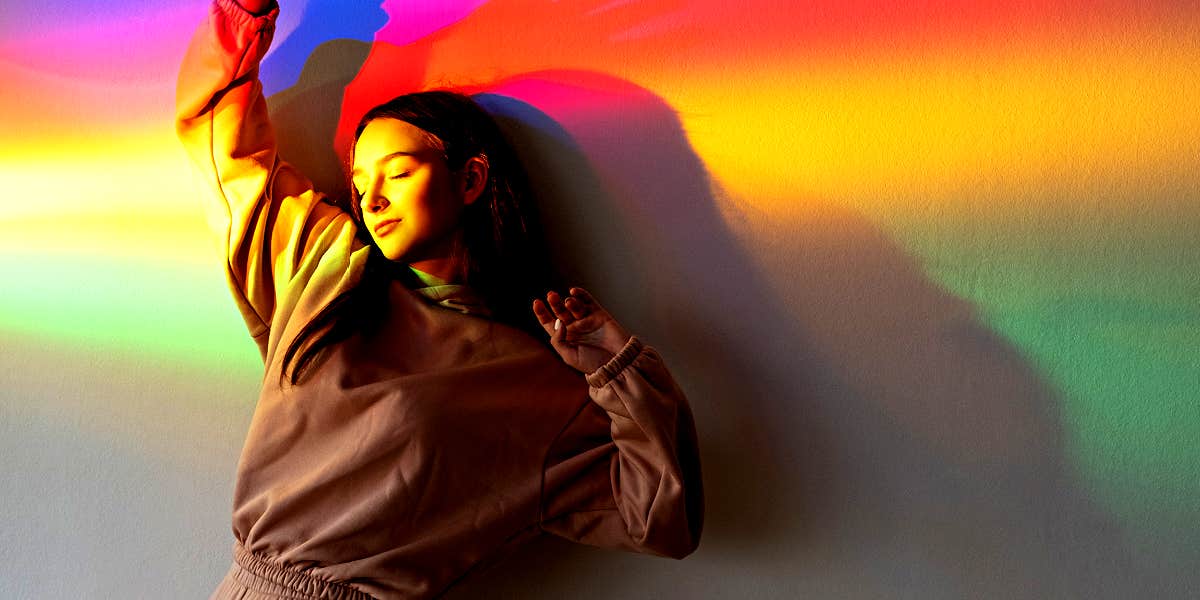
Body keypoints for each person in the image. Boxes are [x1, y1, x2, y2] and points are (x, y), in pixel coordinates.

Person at [176, 1, 704, 598]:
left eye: (397, 173)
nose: (370, 199)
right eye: (359, 180)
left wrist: (615, 368)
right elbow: (224, 148)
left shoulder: (528, 378)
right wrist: (241, 18)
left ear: (471, 180)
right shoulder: (324, 268)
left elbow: (661, 516)